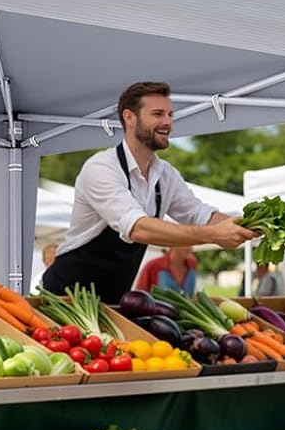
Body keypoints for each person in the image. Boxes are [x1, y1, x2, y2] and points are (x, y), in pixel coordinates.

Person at [42, 82, 256, 303]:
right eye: (158, 114)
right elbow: (137, 228)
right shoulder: (101, 168)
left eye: (170, 114)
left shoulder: (166, 174)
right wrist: (213, 235)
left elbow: (200, 214)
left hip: (113, 302)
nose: (168, 122)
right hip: (63, 299)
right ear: (129, 117)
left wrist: (248, 225)